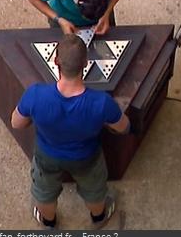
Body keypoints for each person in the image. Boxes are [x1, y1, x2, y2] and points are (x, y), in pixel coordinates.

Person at [11, 35, 130, 229]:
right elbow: (123, 127)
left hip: (46, 155)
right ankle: (99, 218)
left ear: (56, 61)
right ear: (85, 63)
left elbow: (16, 123)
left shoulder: (34, 95)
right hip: (87, 157)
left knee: (44, 191)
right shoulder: (101, 103)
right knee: (95, 190)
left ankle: (49, 222)